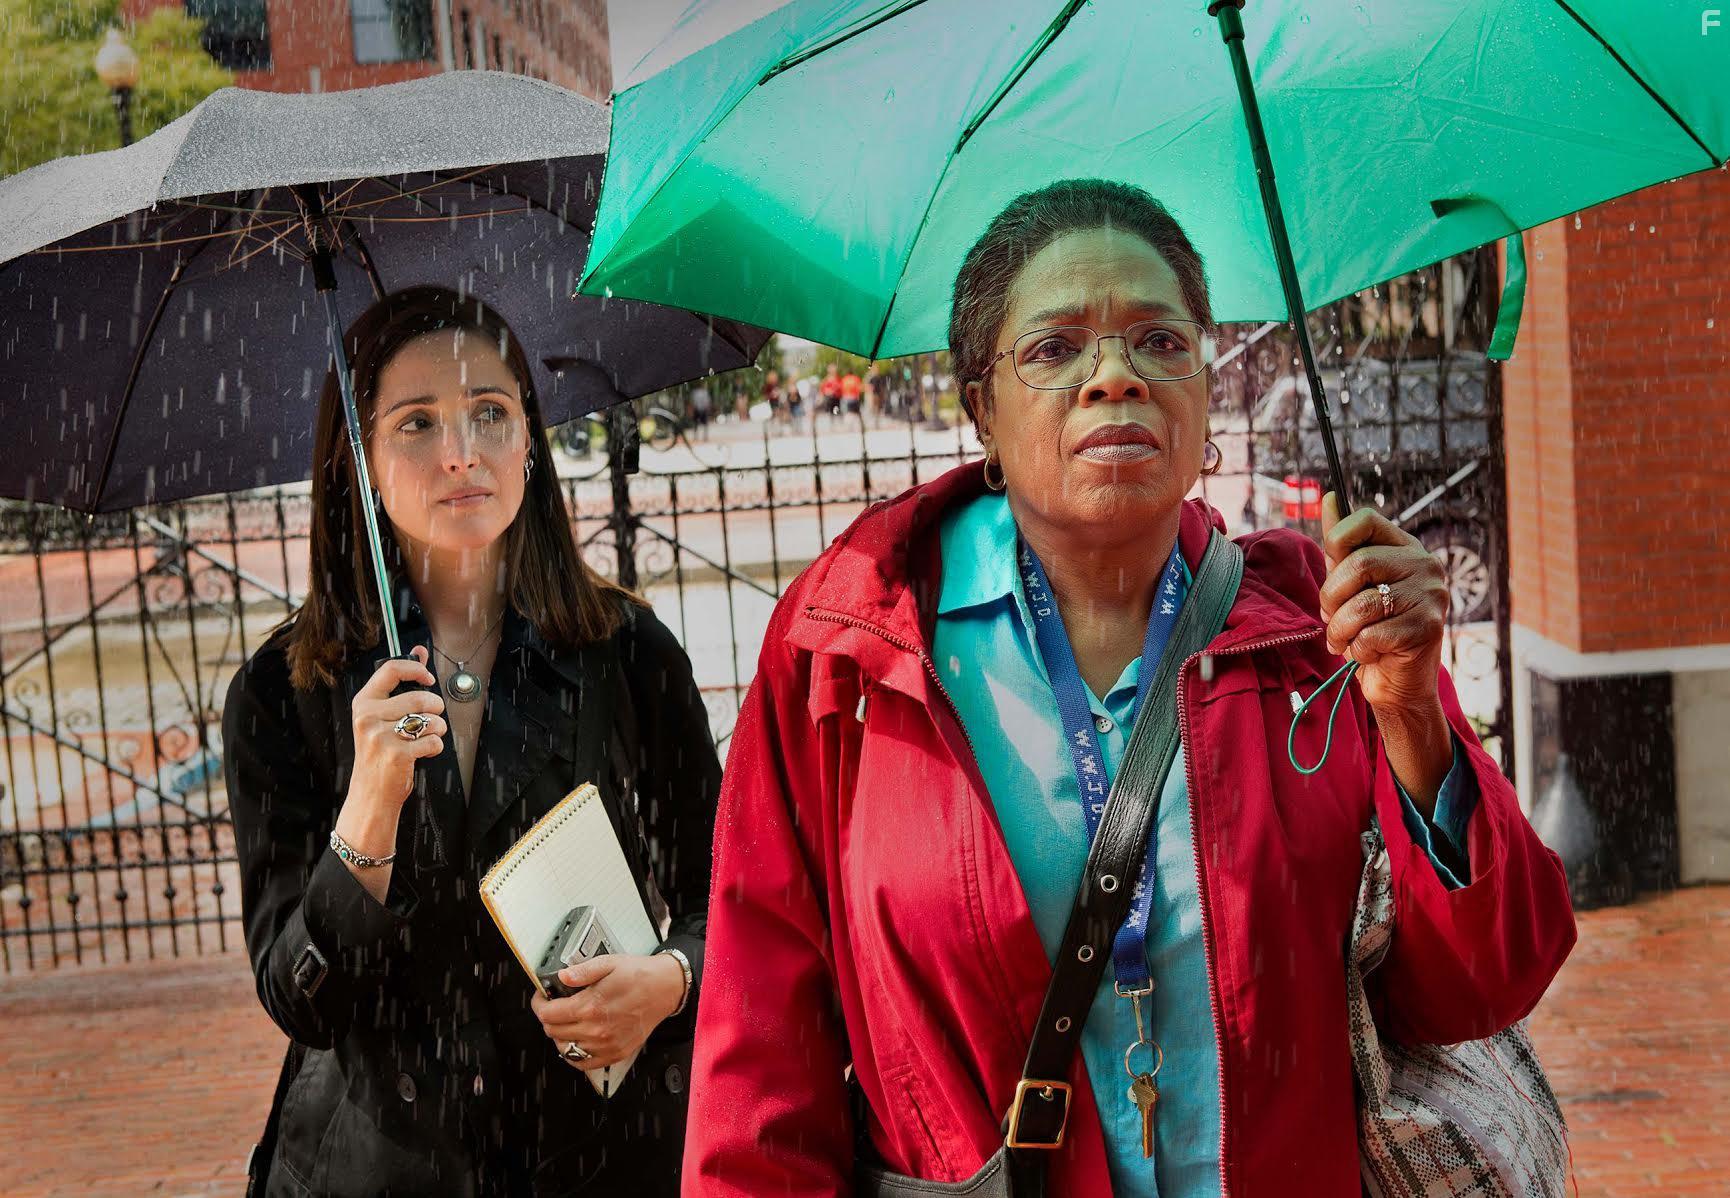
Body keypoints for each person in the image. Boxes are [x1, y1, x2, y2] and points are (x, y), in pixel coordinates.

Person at [684, 180, 1575, 1196]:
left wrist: (1412, 709)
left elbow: (1485, 982)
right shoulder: (846, 654)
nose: (1115, 376)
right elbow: (759, 1056)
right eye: (1055, 349)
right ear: (979, 405)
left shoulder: (1315, 640)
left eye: (1159, 340)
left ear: (1205, 390)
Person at [225, 286, 719, 1197]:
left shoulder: (626, 653)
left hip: (601, 1154)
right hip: (380, 1166)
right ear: (361, 462)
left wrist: (670, 980)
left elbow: (729, 891)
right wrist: (369, 806)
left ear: (531, 440)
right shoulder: (282, 693)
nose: (462, 454)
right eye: (416, 424)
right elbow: (302, 999)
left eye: (490, 413)